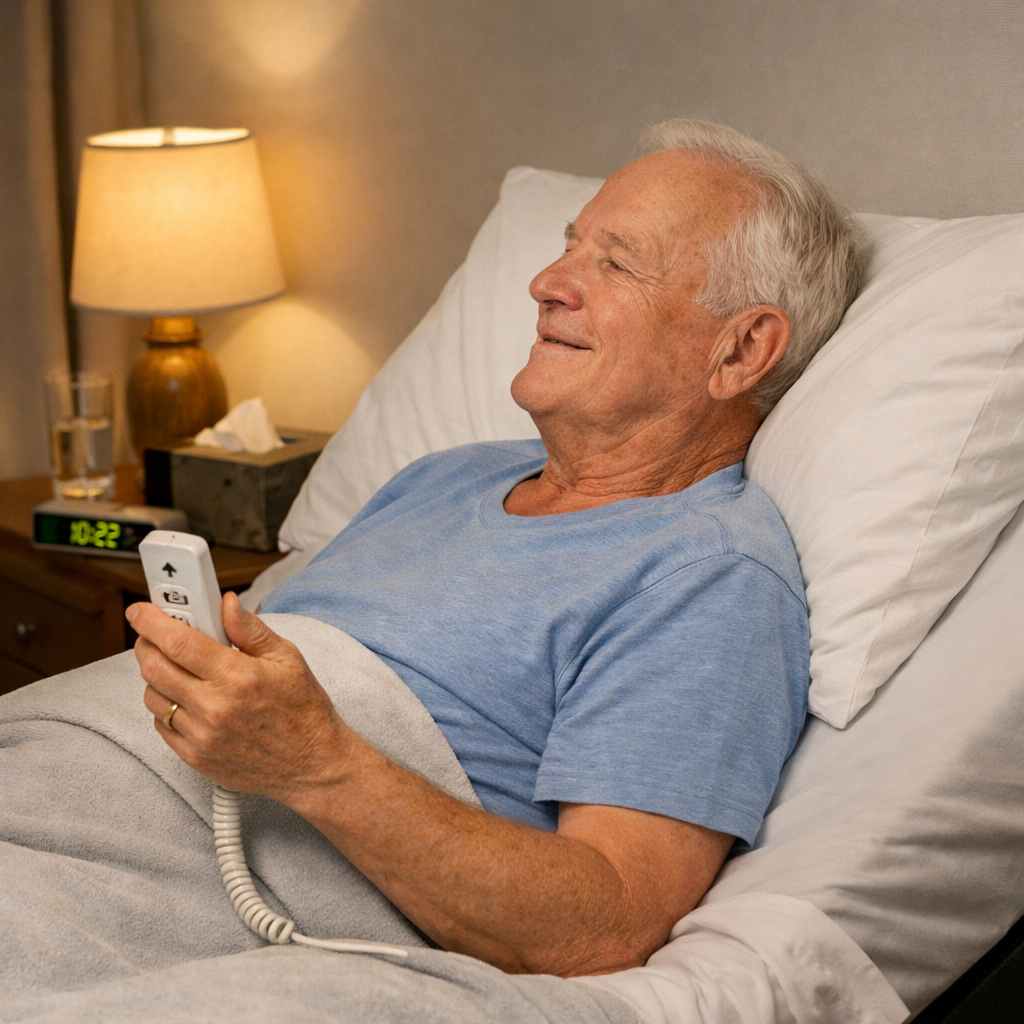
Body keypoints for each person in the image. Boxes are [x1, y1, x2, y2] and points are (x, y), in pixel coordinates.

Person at [127, 120, 863, 979]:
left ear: (740, 349)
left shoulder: (708, 577)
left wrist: (317, 765)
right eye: (567, 249)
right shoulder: (445, 478)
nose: (546, 284)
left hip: (210, 895)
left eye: (615, 264)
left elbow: (609, 922)